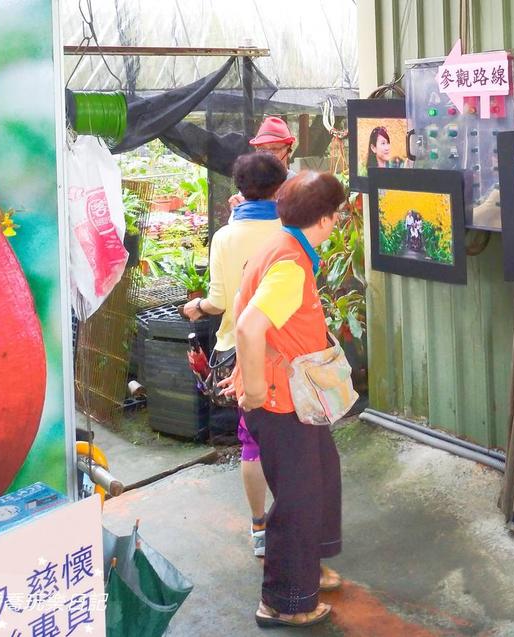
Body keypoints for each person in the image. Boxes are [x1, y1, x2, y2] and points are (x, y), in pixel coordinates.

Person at [229, 171, 346, 628]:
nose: (336, 222)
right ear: (324, 218)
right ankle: (285, 601)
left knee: (322, 476)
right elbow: (249, 326)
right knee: (298, 498)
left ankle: (309, 565)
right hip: (281, 402)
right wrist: (255, 388)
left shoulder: (281, 246)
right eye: (335, 216)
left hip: (298, 397)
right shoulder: (290, 264)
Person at [183, 152, 288, 558]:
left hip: (242, 352)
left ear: (238, 189)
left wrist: (197, 308)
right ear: (280, 187)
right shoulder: (289, 229)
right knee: (290, 435)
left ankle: (259, 527)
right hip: (285, 347)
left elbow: (219, 300)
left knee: (253, 442)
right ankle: (292, 520)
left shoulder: (226, 236)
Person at [227, 116, 296, 212]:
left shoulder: (299, 187)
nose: (267, 155)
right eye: (262, 149)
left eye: (274, 149)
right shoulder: (252, 180)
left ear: (288, 150)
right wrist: (237, 205)